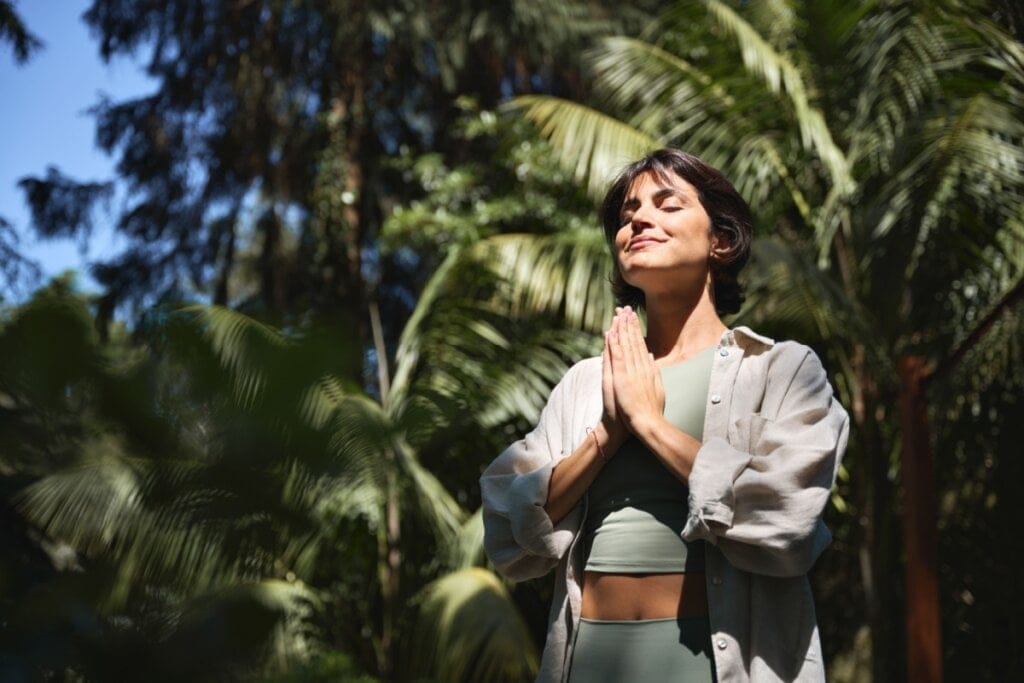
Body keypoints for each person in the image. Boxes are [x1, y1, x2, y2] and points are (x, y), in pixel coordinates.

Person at [479, 149, 850, 682]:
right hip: (589, 660)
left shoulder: (780, 369)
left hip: (712, 663)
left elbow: (788, 514)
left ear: (720, 240)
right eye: (628, 215)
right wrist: (607, 434)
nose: (638, 220)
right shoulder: (589, 382)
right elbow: (507, 530)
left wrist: (651, 424)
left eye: (666, 204)